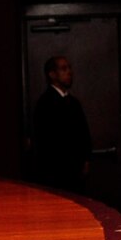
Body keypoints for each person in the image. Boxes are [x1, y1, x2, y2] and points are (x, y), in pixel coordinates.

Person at [29, 55, 92, 191]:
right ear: (52, 74)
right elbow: (45, 140)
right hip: (56, 173)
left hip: (76, 170)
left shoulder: (73, 102)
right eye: (63, 69)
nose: (69, 72)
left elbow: (83, 132)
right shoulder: (45, 103)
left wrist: (86, 159)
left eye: (69, 68)